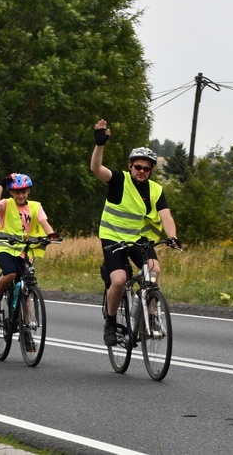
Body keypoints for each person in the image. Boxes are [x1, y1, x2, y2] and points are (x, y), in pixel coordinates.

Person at [90, 119, 180, 346]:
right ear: (130, 166)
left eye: (146, 168)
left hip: (137, 239)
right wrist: (100, 145)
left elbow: (166, 215)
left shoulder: (155, 189)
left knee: (154, 270)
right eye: (138, 167)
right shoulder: (119, 180)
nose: (141, 171)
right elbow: (96, 169)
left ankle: (152, 316)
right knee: (119, 280)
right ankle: (111, 323)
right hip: (112, 238)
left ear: (151, 171)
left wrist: (172, 236)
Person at [0, 173, 58, 311]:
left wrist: (51, 235)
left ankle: (25, 325)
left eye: (23, 192)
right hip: (6, 247)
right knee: (10, 273)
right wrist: (1, 185)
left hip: (24, 249)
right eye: (17, 192)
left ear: (28, 191)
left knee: (25, 282)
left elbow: (44, 223)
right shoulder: (6, 204)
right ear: (12, 193)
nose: (21, 195)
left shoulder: (35, 206)